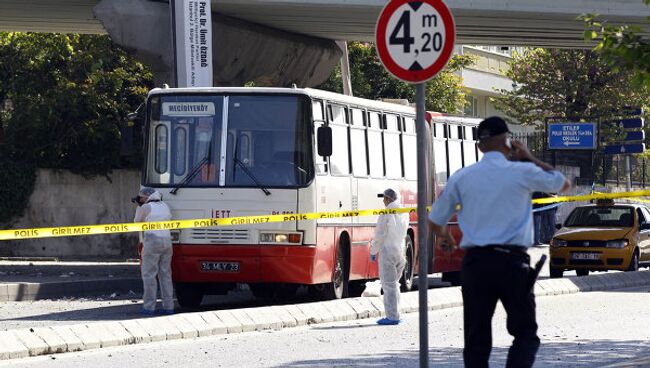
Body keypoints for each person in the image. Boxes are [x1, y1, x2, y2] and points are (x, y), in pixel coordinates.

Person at [428, 117, 570, 367]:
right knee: (524, 333)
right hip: (512, 264)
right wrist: (529, 157)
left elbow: (435, 219)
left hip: (475, 265)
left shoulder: (463, 176)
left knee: (476, 339)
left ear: (479, 146)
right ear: (507, 142)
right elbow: (562, 183)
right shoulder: (522, 171)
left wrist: (445, 236)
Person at [370, 188, 409, 325]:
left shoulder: (386, 213)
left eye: (384, 198)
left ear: (388, 199)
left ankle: (392, 317)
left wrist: (373, 251)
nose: (383, 201)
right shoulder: (404, 212)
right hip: (401, 251)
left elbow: (380, 234)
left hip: (388, 252)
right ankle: (397, 314)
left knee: (389, 286)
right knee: (395, 285)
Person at [133, 187, 174, 316]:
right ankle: (168, 306)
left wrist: (139, 206)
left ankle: (149, 307)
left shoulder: (146, 207)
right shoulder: (165, 206)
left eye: (141, 198)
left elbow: (137, 222)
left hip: (152, 241)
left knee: (149, 275)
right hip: (167, 242)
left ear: (146, 197)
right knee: (165, 275)